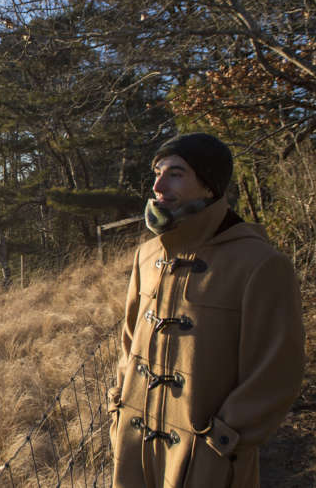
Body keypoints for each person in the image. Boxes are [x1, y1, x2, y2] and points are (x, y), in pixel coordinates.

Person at [108, 132, 304, 488]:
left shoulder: (260, 263)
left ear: (209, 187)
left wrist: (222, 443)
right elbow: (129, 339)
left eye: (176, 173)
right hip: (134, 451)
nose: (158, 185)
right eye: (157, 171)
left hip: (205, 462)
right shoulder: (147, 255)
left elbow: (278, 371)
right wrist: (120, 405)